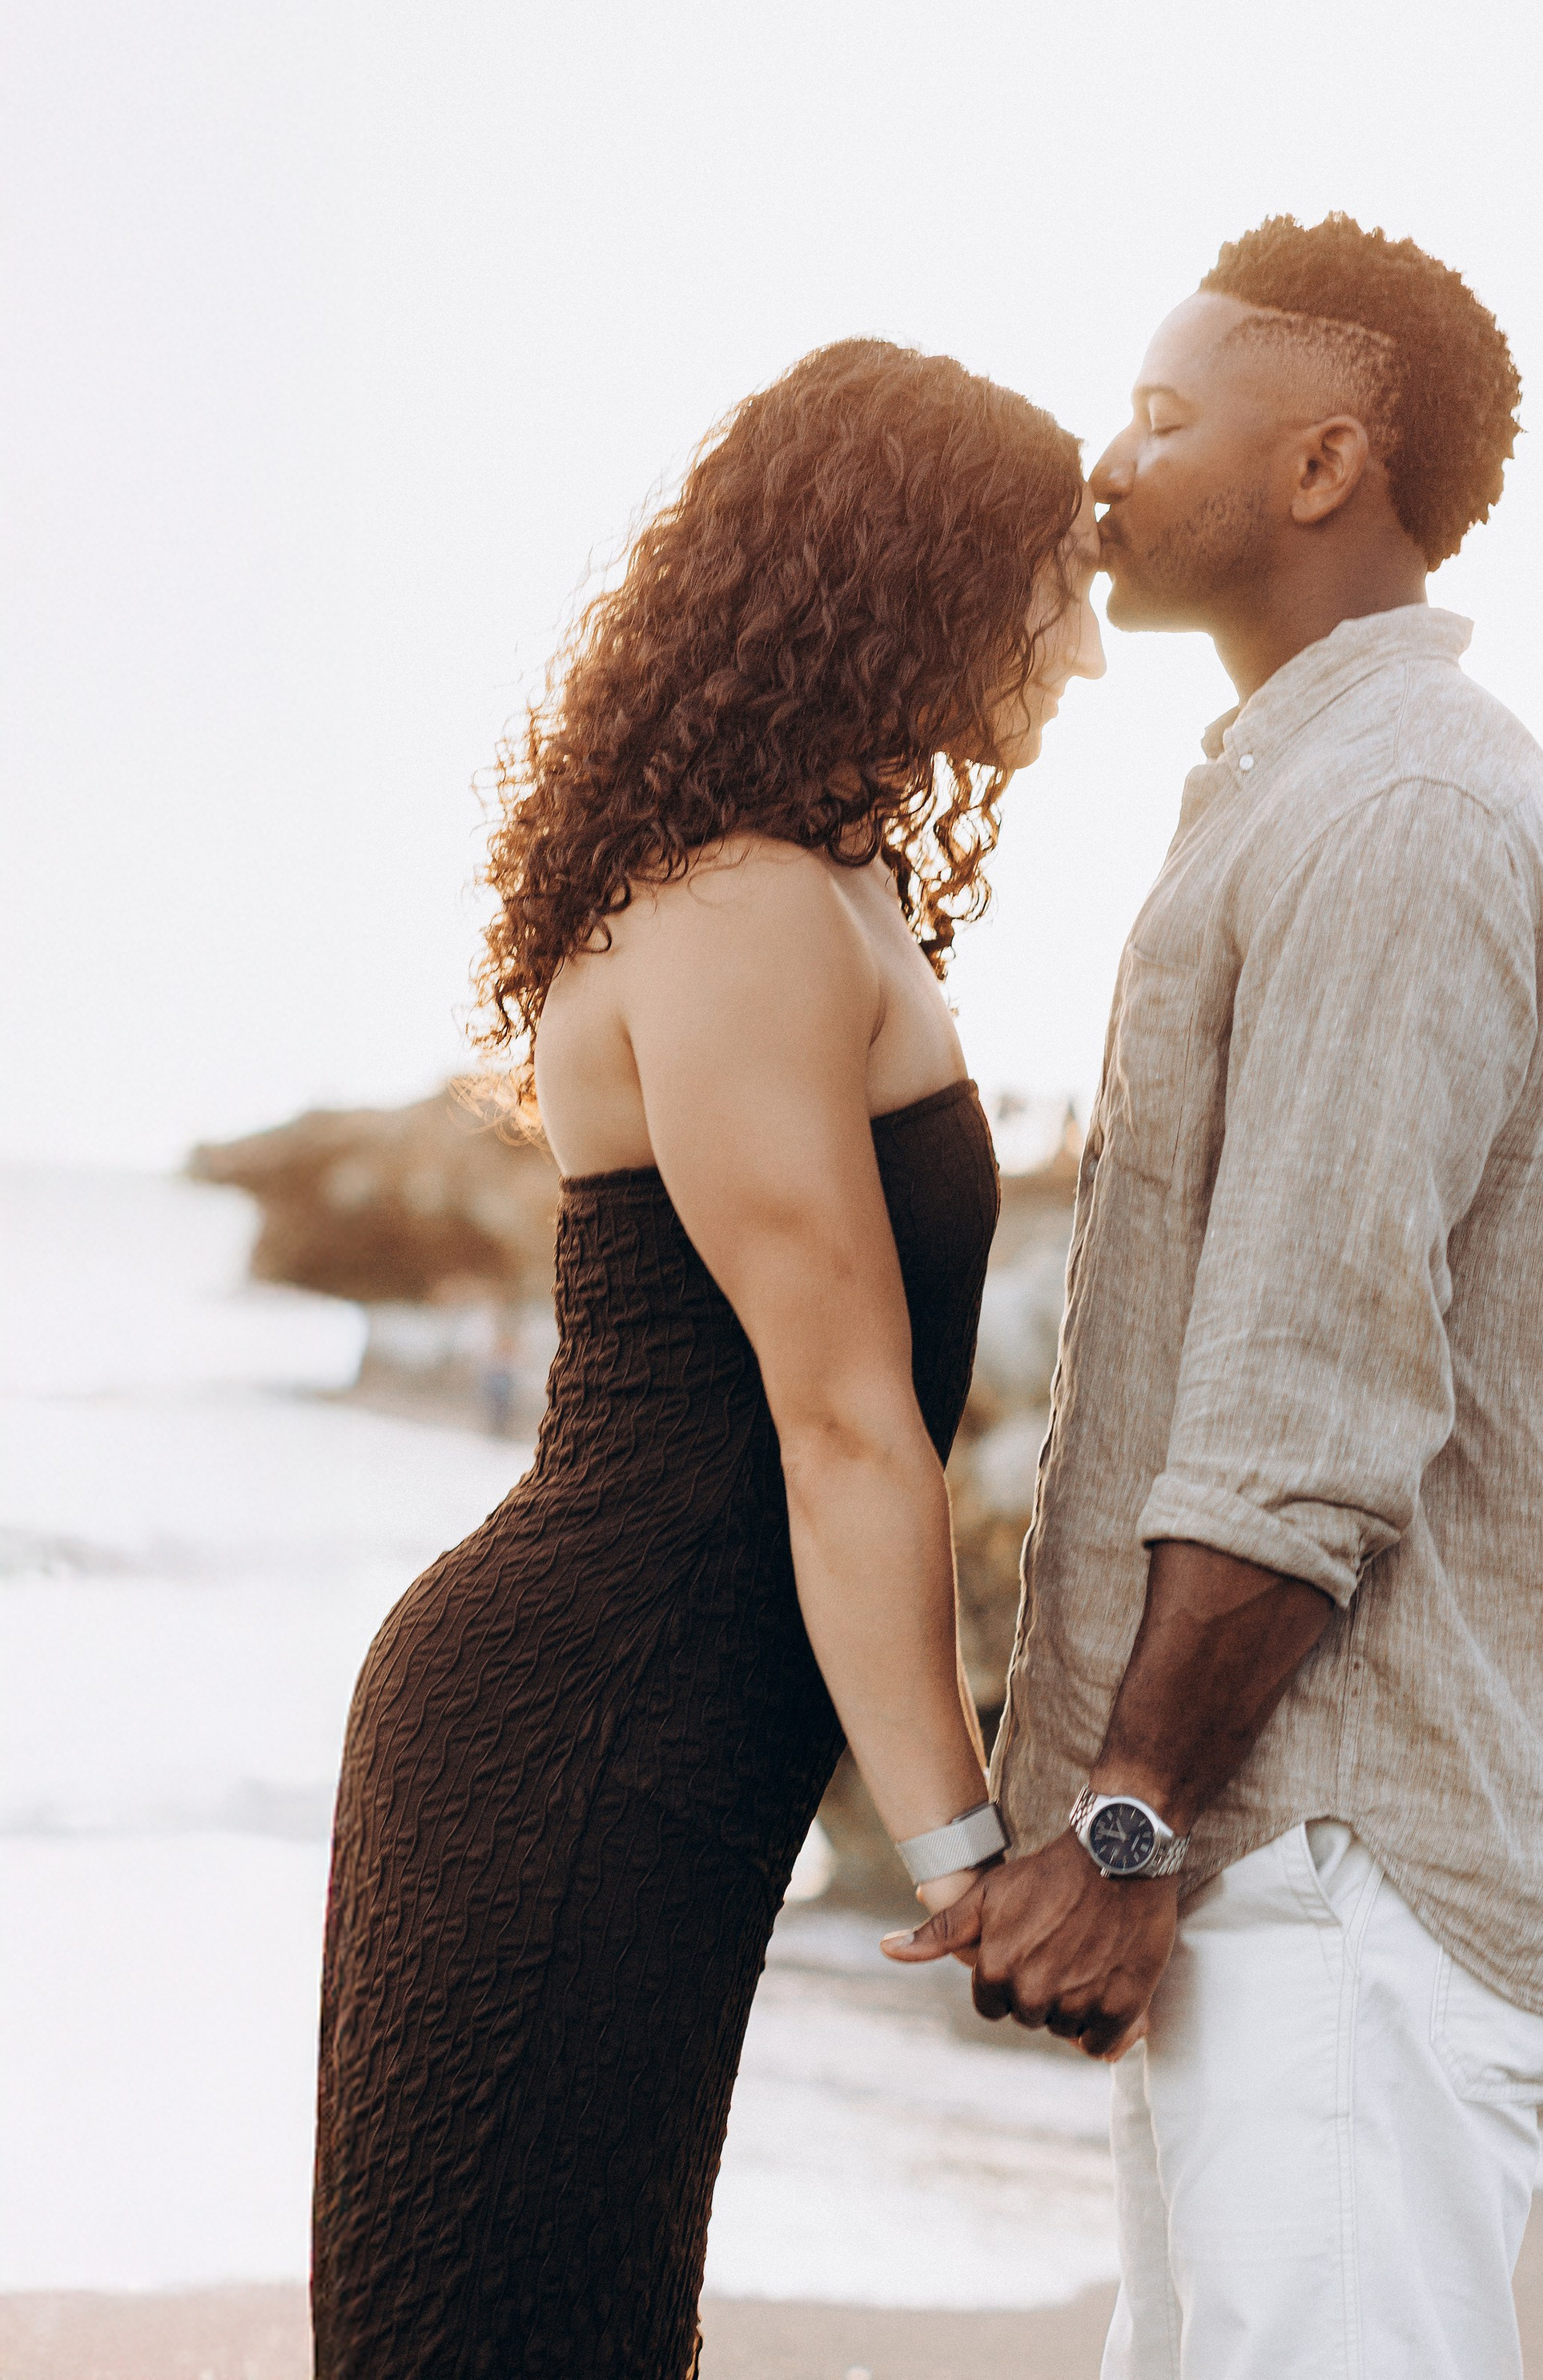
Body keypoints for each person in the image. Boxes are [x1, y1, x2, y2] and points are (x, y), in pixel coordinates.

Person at [893, 215, 1543, 2380]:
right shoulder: (1307, 789)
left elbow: (1310, 1395)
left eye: (1163, 414)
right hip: (1284, 1852)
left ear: (1324, 465)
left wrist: (1128, 1831)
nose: (1105, 459)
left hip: (1343, 1858)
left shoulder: (1404, 812)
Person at [312, 338, 1102, 2379]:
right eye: (1056, 581)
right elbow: (839, 1424)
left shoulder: (819, 888)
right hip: (572, 1729)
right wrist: (959, 1850)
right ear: (920, 569)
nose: (1087, 648)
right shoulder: (745, 904)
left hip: (655, 1739)